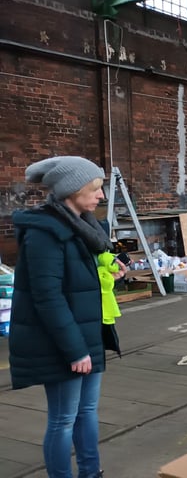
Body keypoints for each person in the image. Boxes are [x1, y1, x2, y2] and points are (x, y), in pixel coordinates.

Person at [10, 156, 127, 478]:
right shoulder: (44, 234)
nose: (101, 196)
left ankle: (91, 472)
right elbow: (47, 297)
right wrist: (75, 350)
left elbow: (76, 278)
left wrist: (105, 269)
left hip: (87, 333)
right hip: (64, 343)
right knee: (63, 419)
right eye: (95, 188)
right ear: (72, 190)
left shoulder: (82, 226)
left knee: (87, 411)